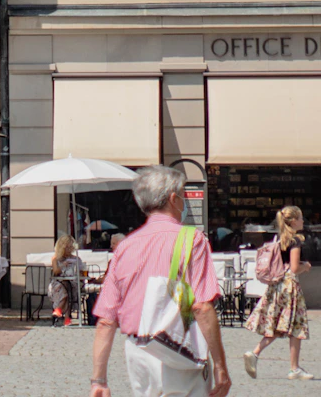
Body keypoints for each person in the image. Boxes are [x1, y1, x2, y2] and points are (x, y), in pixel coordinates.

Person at [89, 164, 230, 397]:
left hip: (138, 351)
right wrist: (220, 366)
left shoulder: (125, 246)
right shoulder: (191, 239)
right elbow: (202, 307)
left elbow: (106, 320)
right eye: (183, 196)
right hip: (179, 348)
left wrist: (99, 380)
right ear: (174, 199)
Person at [241, 205, 310, 380]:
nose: (303, 221)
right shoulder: (295, 241)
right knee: (296, 325)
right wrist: (306, 266)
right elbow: (294, 268)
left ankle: (255, 353)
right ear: (293, 221)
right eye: (301, 218)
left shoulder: (280, 240)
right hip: (289, 286)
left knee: (278, 324)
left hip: (277, 285)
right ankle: (294, 369)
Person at [49, 234, 85, 326]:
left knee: (69, 287)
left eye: (70, 248)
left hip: (73, 283)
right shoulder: (55, 259)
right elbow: (56, 272)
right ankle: (67, 318)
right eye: (67, 248)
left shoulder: (76, 259)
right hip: (58, 283)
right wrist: (62, 265)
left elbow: (81, 273)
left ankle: (58, 310)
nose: (69, 250)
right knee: (65, 287)